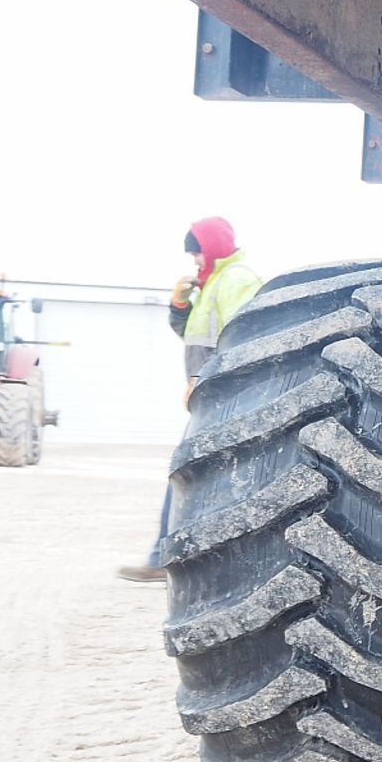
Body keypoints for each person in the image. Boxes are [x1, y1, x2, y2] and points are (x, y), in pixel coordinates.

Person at [117, 217, 263, 582]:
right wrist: (179, 306)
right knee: (193, 474)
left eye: (197, 251)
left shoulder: (238, 280)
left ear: (211, 247)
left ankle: (165, 558)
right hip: (209, 394)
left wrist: (207, 378)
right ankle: (171, 557)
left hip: (225, 394)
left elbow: (246, 336)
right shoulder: (212, 284)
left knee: (191, 474)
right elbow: (194, 337)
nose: (195, 259)